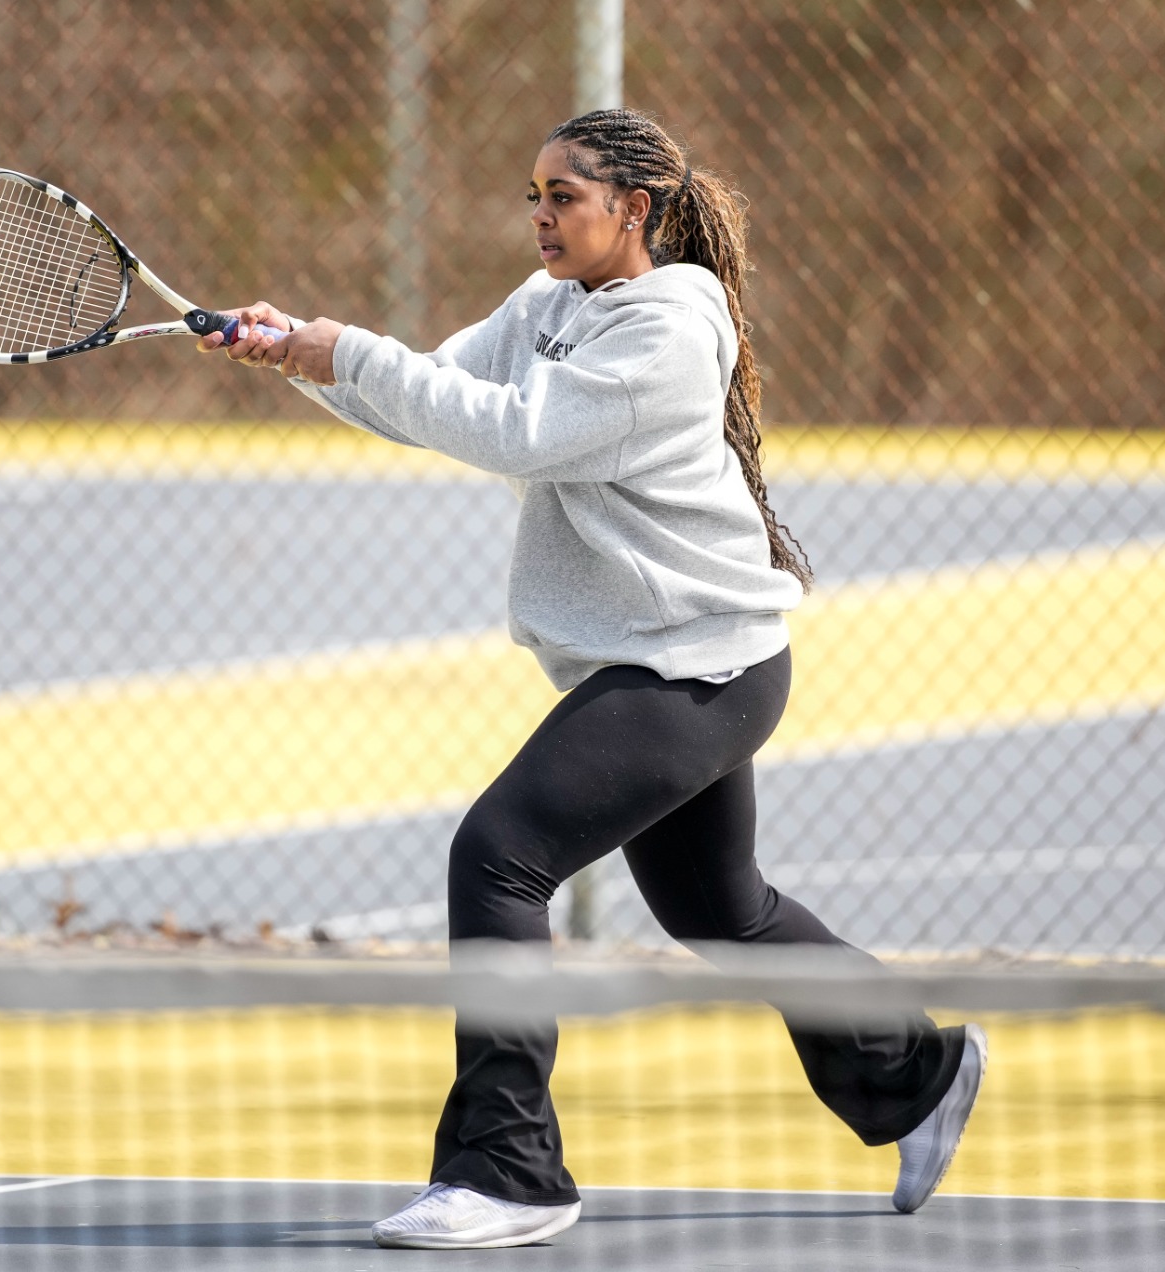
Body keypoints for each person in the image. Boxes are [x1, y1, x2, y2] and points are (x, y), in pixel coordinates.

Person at [199, 107, 987, 1252]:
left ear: (636, 210)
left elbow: (515, 433)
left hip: (700, 664)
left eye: (561, 196)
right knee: (723, 909)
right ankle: (915, 1070)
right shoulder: (549, 306)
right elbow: (431, 392)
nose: (538, 216)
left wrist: (338, 348)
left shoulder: (664, 335)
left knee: (497, 854)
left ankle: (510, 1172)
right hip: (660, 653)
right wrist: (301, 358)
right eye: (532, 194)